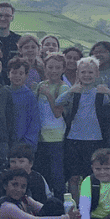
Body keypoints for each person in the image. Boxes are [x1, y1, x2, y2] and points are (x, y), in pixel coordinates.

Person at [57, 56, 110, 182]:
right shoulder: (74, 92)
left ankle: (90, 195)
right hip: (73, 138)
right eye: (83, 72)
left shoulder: (100, 93)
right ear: (78, 74)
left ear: (97, 74)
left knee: (91, 175)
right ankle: (73, 196)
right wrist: (70, 91)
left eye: (90, 72)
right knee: (73, 176)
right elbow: (58, 102)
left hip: (95, 139)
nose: (86, 75)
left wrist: (109, 92)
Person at [34, 52, 67, 196]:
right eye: (50, 67)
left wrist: (48, 95)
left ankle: (60, 202)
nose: (54, 71)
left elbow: (58, 112)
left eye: (57, 68)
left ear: (63, 69)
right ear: (45, 68)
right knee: (43, 173)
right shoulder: (41, 85)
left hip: (56, 138)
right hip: (40, 136)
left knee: (57, 174)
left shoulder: (63, 88)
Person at [7, 57, 40, 150]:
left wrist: (27, 142)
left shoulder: (30, 96)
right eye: (14, 73)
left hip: (24, 144)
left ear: (26, 75)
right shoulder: (3, 93)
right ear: (8, 74)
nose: (17, 76)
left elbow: (34, 121)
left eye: (21, 73)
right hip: (5, 143)